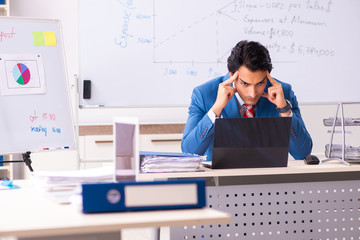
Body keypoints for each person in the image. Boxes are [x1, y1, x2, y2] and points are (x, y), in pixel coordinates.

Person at [181, 40, 312, 161]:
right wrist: (216, 110)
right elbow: (189, 153)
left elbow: (302, 152)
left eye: (260, 83)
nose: (253, 93)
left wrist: (284, 109)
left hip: (268, 180)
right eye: (245, 84)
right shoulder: (204, 94)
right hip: (221, 181)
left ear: (267, 75)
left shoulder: (283, 93)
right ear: (232, 76)